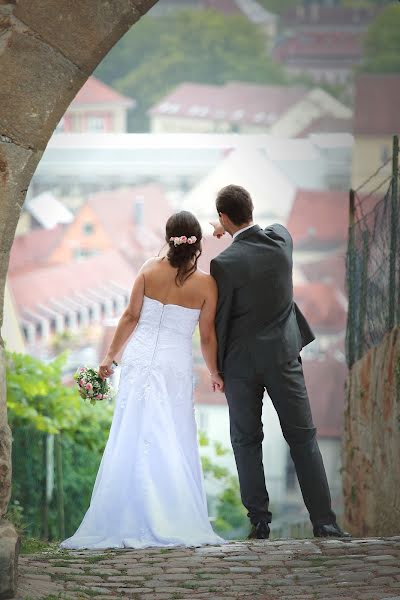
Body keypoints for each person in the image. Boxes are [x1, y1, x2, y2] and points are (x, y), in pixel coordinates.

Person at [59, 211, 227, 550]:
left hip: (138, 361)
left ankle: (125, 513)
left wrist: (110, 357)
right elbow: (206, 337)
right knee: (172, 433)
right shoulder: (207, 284)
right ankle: (172, 514)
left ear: (169, 238)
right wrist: (214, 372)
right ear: (197, 243)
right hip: (173, 365)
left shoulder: (148, 270)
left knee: (131, 432)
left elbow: (131, 316)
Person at [209, 184, 350, 540]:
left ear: (223, 218)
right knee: (303, 438)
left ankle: (260, 523)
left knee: (246, 441)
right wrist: (231, 224)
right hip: (283, 358)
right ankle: (325, 523)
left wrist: (219, 369)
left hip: (241, 364)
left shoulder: (222, 264)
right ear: (252, 209)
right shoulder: (281, 243)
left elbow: (220, 319)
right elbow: (275, 226)